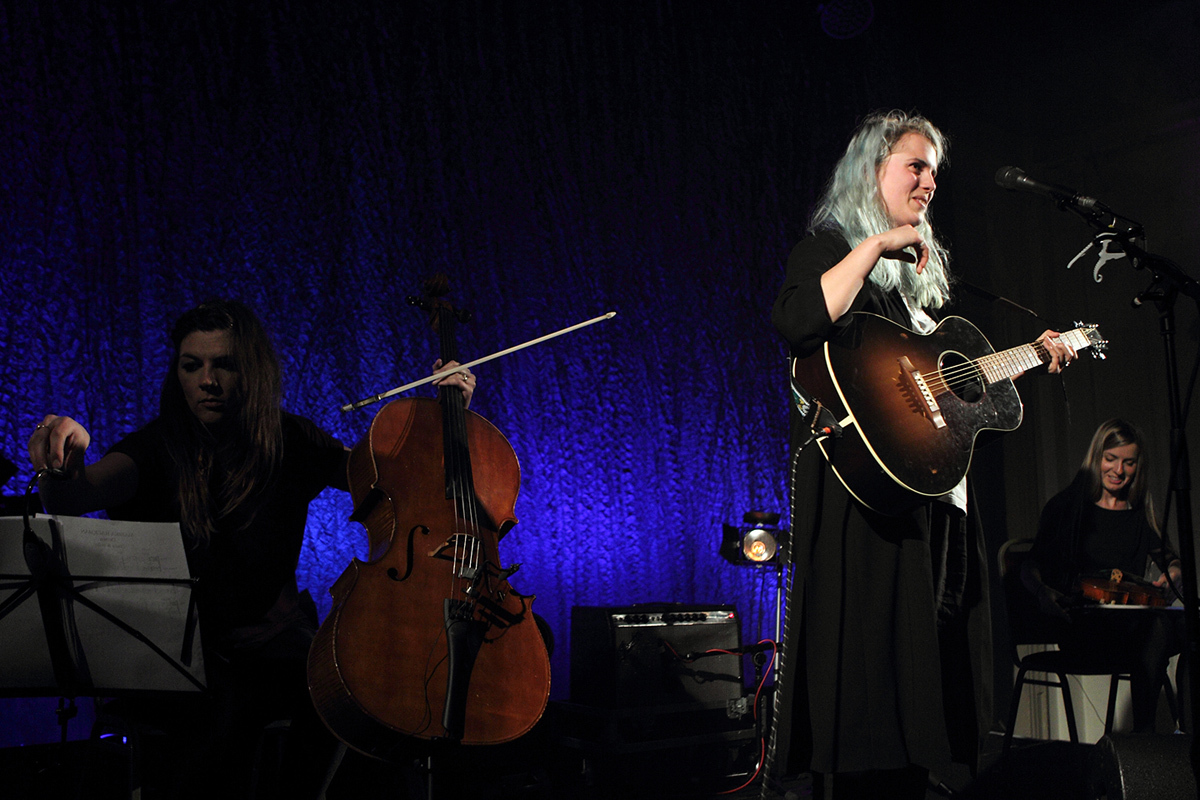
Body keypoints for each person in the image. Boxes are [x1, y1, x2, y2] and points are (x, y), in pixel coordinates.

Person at [27, 299, 476, 799]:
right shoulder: (155, 448)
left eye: (225, 365)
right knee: (222, 720)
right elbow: (75, 496)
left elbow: (394, 479)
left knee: (352, 690)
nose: (208, 380)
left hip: (275, 643)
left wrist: (445, 415)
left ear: (253, 371)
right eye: (191, 365)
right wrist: (64, 459)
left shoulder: (290, 440)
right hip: (183, 656)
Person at [771, 110, 1076, 799]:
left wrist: (1031, 356)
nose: (929, 181)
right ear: (871, 171)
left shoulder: (923, 285)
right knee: (869, 672)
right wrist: (875, 245)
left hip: (927, 497)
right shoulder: (832, 246)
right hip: (859, 493)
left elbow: (947, 390)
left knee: (925, 667)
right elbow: (797, 321)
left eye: (934, 169)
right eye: (915, 165)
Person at [1021, 418, 1186, 734]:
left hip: (1131, 632)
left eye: (1129, 462)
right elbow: (1029, 567)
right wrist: (1044, 594)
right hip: (1083, 632)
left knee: (1189, 629)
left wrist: (1175, 571)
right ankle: (1146, 738)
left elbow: (1170, 558)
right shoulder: (1067, 507)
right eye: (1111, 459)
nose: (1119, 471)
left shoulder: (1137, 511)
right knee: (1156, 630)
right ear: (1096, 458)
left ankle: (1187, 738)